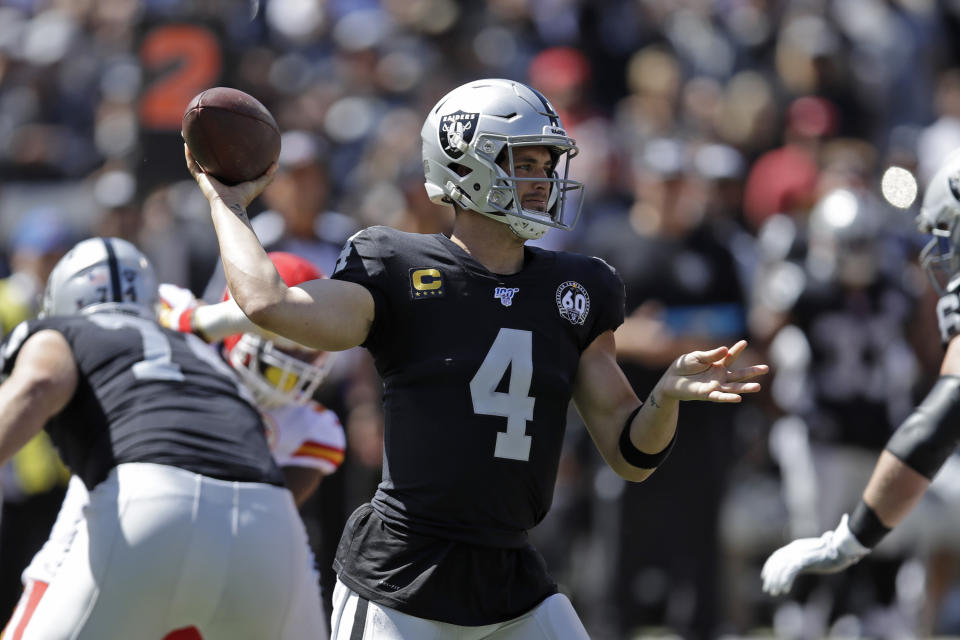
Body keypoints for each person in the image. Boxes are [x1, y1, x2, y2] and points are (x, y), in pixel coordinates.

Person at [187, 77, 768, 639]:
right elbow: (267, 301)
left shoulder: (576, 286)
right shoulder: (396, 266)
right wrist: (225, 201)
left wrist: (664, 395)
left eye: (547, 165)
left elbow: (630, 455)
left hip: (511, 574)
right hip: (404, 573)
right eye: (527, 162)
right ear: (466, 164)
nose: (544, 180)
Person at [0, 237, 324, 639]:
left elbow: (39, 383)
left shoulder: (64, 330)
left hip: (148, 496)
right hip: (269, 517)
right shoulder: (201, 350)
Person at [760, 152, 960, 608]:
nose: (946, 256)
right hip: (825, 434)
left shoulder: (893, 290)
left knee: (885, 559)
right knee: (821, 539)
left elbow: (941, 402)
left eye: (954, 234)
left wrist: (846, 543)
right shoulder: (804, 290)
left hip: (880, 432)